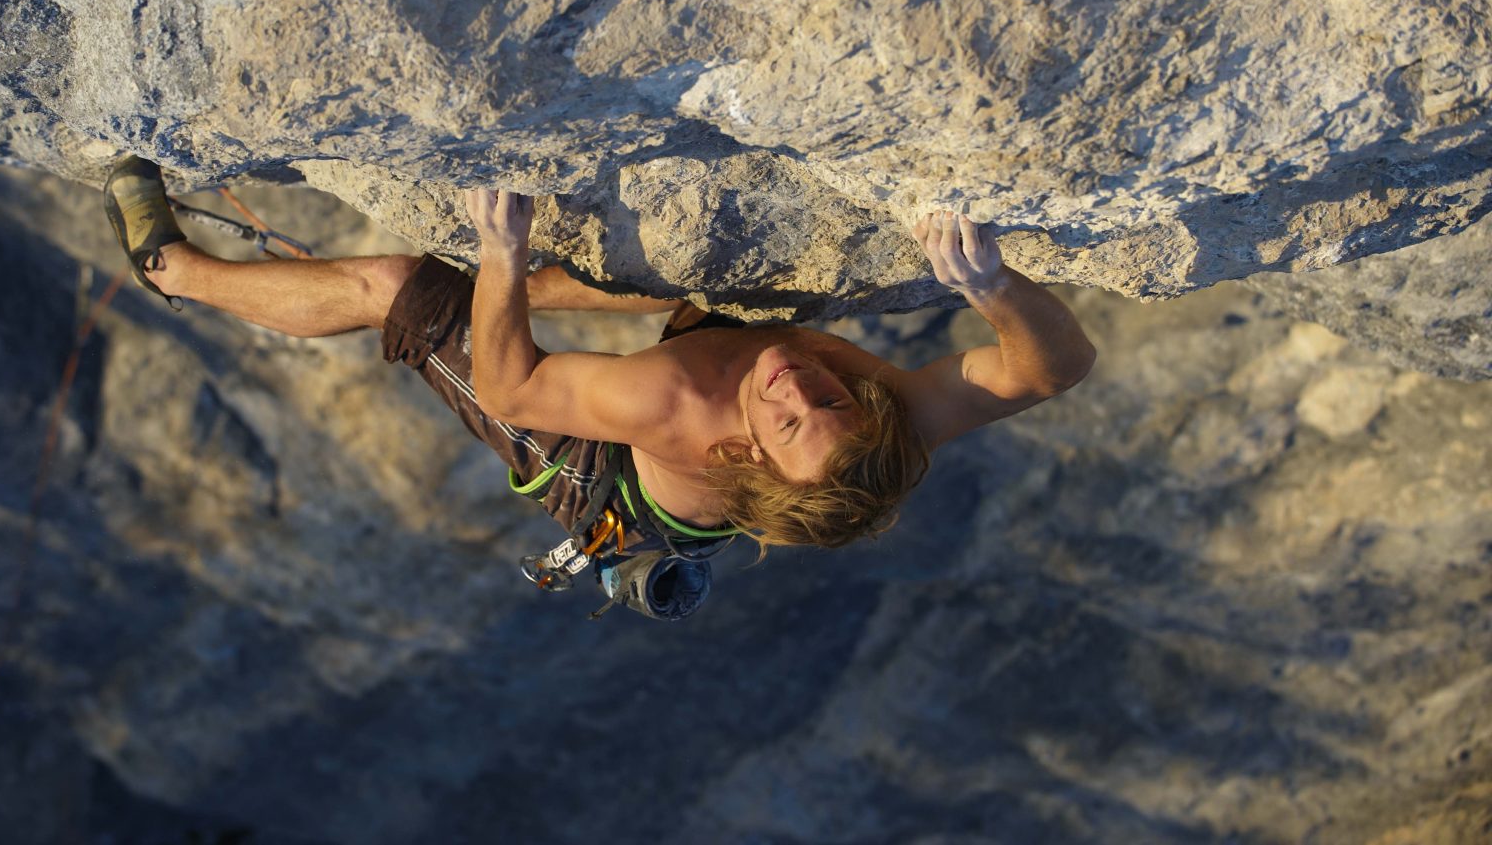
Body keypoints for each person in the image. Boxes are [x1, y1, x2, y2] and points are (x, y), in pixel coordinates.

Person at [105, 156, 1096, 616]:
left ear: (748, 451)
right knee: (609, 278)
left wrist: (498, 250)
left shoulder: (670, 406)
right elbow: (1053, 370)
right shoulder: (879, 429)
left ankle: (173, 272)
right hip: (700, 369)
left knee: (399, 288)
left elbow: (515, 386)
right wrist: (992, 287)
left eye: (787, 419)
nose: (798, 385)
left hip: (596, 477)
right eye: (828, 400)